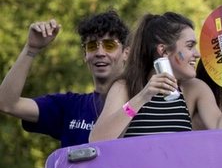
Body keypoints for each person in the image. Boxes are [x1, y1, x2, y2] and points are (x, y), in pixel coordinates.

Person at [90, 12, 222, 140]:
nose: (197, 54)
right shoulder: (124, 87)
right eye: (190, 46)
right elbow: (97, 139)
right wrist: (142, 97)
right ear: (163, 50)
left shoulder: (195, 89)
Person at [0, 11, 129, 146]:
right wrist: (31, 49)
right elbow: (6, 103)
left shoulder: (140, 103)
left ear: (126, 53)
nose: (100, 53)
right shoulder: (69, 107)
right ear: (85, 54)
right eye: (92, 46)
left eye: (109, 45)